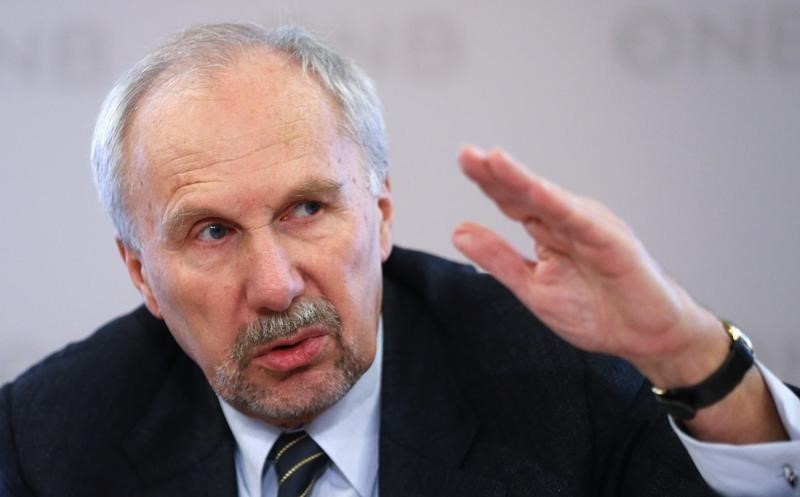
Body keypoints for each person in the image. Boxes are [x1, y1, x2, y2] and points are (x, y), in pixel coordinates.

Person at [1, 23, 798, 497]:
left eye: (307, 209)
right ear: (141, 272)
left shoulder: (561, 378)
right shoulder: (46, 443)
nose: (276, 285)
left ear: (379, 215)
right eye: (211, 232)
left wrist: (689, 354)